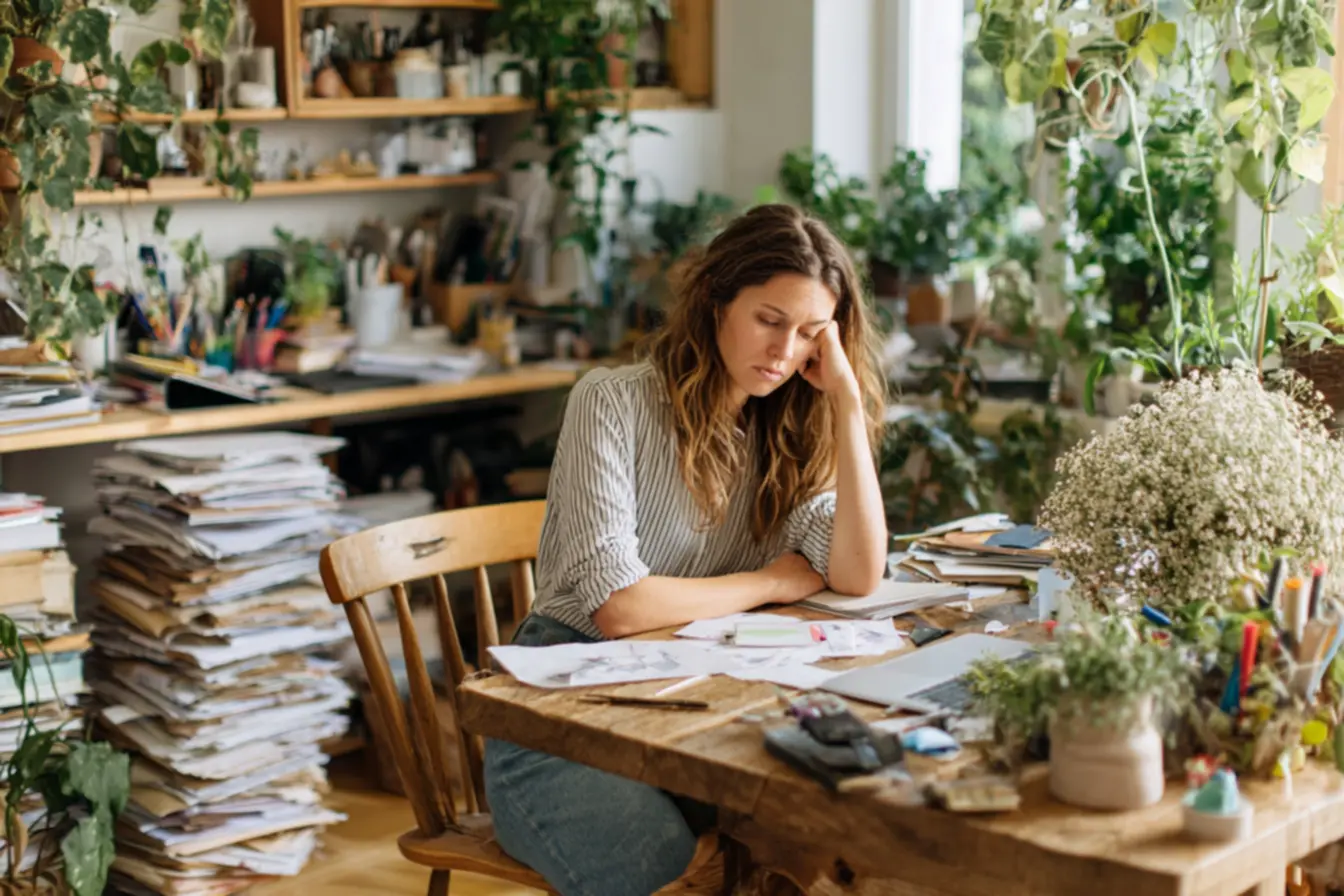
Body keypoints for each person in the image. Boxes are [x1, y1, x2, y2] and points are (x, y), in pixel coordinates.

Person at [483, 203, 888, 896]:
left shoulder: (785, 430)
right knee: (671, 868)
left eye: (810, 334)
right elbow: (621, 607)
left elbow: (857, 574)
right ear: (714, 299)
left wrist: (847, 402)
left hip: (690, 704)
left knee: (829, 829)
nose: (786, 353)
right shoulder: (611, 403)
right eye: (769, 320)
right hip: (561, 721)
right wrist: (766, 582)